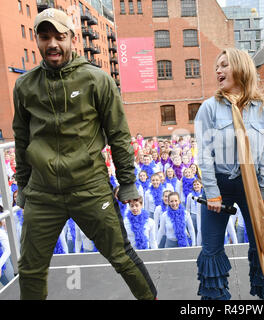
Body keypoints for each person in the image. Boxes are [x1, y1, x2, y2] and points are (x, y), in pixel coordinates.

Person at [12, 8, 157, 300]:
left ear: (72, 39)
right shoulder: (24, 86)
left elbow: (118, 134)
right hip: (42, 193)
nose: (52, 43)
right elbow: (21, 139)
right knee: (29, 269)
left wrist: (127, 183)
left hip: (90, 188)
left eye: (59, 36)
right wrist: (23, 186)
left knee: (121, 256)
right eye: (44, 37)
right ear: (38, 41)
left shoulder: (97, 80)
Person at [195, 48, 264, 300]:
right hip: (219, 187)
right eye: (217, 66)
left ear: (241, 68)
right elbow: (204, 154)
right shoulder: (209, 108)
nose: (218, 71)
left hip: (254, 189)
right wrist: (212, 193)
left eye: (224, 65)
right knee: (211, 252)